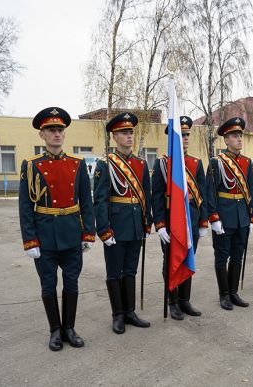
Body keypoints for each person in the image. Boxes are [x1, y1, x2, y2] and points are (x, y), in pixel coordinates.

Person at [19, 107, 95, 351]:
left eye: (60, 129)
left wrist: (88, 233)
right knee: (48, 285)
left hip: (72, 233)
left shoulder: (78, 163)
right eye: (51, 130)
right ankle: (54, 330)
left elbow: (86, 201)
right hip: (45, 236)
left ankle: (69, 328)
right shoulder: (31, 165)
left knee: (72, 283)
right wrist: (30, 241)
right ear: (42, 135)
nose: (56, 134)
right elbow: (25, 207)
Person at [93, 112, 153, 334]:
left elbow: (145, 194)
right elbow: (99, 200)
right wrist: (104, 230)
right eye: (124, 133)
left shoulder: (140, 163)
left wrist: (148, 222)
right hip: (116, 227)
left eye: (130, 132)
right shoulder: (106, 164)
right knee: (114, 272)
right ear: (114, 136)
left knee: (130, 271)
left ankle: (130, 311)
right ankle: (117, 314)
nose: (129, 137)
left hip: (136, 225)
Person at [151, 116, 207, 320]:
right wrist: (160, 225)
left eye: (187, 135)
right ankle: (172, 300)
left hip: (191, 218)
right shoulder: (163, 165)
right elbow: (156, 196)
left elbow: (203, 195)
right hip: (171, 219)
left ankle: (185, 300)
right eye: (181, 135)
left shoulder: (195, 163)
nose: (185, 138)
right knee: (171, 261)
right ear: (172, 139)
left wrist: (203, 221)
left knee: (188, 257)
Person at [206, 117, 253, 310]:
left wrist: (252, 215)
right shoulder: (216, 162)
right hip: (224, 217)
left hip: (242, 217)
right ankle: (224, 294)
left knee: (237, 256)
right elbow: (210, 192)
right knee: (222, 256)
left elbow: (250, 191)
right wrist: (214, 218)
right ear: (226, 140)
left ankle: (233, 292)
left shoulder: (246, 162)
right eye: (234, 136)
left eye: (240, 136)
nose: (239, 139)